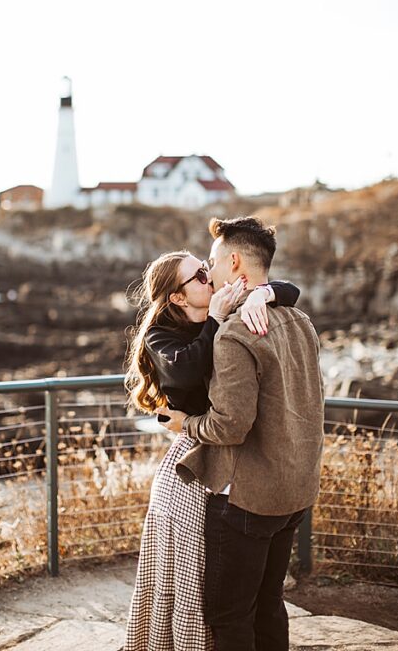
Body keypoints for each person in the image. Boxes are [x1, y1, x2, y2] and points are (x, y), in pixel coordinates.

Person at [159, 216, 324, 651]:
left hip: (248, 499)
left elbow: (228, 426)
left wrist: (183, 424)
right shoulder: (301, 321)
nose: (209, 274)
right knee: (270, 603)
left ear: (233, 261)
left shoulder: (233, 334)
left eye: (211, 264)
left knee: (230, 616)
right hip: (295, 490)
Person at [124, 246, 300, 651]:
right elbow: (187, 366)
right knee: (193, 575)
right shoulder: (161, 335)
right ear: (178, 298)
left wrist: (261, 295)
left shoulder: (227, 306)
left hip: (230, 455)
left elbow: (291, 289)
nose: (209, 276)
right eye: (198, 277)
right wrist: (217, 319)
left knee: (244, 592)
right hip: (195, 460)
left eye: (206, 268)